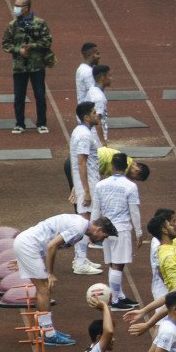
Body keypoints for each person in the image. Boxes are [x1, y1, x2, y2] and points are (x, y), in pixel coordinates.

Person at [11, 214, 117, 346]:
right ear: (99, 230)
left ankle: (44, 329)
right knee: (44, 288)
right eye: (104, 237)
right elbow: (51, 246)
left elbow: (47, 240)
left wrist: (24, 257)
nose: (102, 240)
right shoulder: (79, 228)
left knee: (43, 288)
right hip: (29, 245)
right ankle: (48, 334)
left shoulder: (80, 226)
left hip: (29, 245)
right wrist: (50, 273)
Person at [91, 153, 143, 311]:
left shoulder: (100, 185)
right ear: (125, 167)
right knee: (117, 265)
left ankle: (119, 295)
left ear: (112, 166)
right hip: (121, 229)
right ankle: (113, 300)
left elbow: (95, 209)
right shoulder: (130, 186)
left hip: (105, 229)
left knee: (114, 264)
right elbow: (134, 211)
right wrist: (139, 232)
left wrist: (92, 230)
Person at [1, 0, 52, 134]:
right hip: (19, 66)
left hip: (37, 65)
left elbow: (47, 41)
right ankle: (19, 123)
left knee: (40, 95)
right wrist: (19, 50)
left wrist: (32, 46)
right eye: (15, 5)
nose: (15, 8)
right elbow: (5, 44)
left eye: (18, 6)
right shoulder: (12, 25)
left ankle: (41, 123)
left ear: (26, 8)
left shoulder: (40, 23)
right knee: (19, 96)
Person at [70, 102, 105, 275]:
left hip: (84, 183)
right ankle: (80, 261)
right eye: (93, 112)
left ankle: (80, 258)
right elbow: (81, 162)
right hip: (88, 184)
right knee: (85, 224)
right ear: (86, 117)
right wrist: (86, 190)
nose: (96, 114)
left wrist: (76, 187)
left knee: (85, 222)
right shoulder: (84, 135)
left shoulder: (79, 131)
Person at [85, 65, 111, 146]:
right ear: (103, 77)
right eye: (109, 75)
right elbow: (97, 120)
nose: (111, 78)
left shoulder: (92, 89)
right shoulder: (98, 97)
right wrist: (103, 142)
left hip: (91, 135)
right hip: (96, 139)